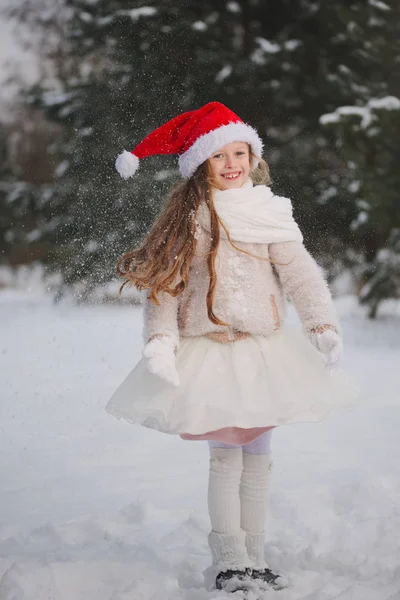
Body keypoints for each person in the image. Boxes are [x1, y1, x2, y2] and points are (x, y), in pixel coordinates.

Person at [106, 101, 358, 594]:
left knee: (259, 457)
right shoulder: (193, 220)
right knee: (225, 458)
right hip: (211, 353)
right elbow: (166, 287)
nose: (231, 163)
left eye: (239, 152)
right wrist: (160, 340)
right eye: (219, 156)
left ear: (254, 156)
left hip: (262, 352)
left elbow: (301, 275)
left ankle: (256, 556)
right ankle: (230, 560)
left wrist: (320, 324)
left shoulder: (269, 214)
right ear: (202, 164)